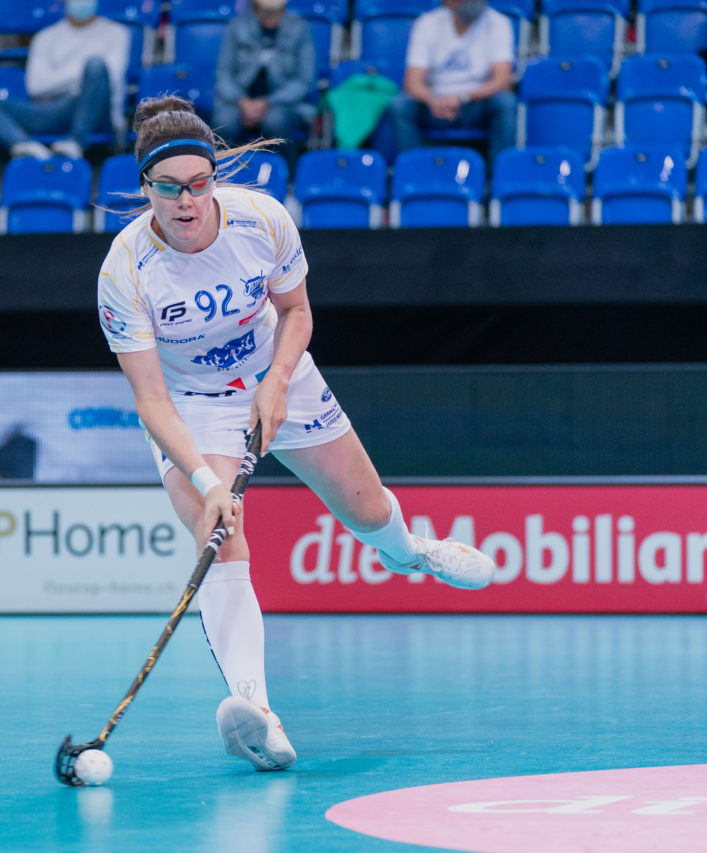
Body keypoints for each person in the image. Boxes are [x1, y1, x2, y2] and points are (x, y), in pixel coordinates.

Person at [96, 95, 496, 773]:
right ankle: (254, 706)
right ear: (147, 188)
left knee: (366, 509)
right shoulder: (124, 272)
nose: (187, 202)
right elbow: (151, 398)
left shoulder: (261, 219)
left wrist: (277, 379)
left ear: (214, 177)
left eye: (199, 184)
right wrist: (205, 482)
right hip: (192, 406)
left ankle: (410, 554)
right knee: (219, 532)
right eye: (170, 188)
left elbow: (297, 310)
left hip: (277, 374)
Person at [0, 0, 131, 161]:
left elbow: (109, 78)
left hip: (99, 113)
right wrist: (84, 76)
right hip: (53, 110)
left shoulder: (117, 33)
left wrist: (78, 75)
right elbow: (37, 87)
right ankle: (25, 145)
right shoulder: (45, 37)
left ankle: (76, 141)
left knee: (96, 66)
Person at [0, 371, 158, 482]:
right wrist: (1, 502)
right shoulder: (38, 374)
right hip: (67, 537)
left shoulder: (180, 365)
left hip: (169, 535)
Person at [386, 0, 517, 163]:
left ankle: (497, 178)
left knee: (506, 102)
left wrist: (462, 96)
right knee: (399, 106)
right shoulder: (427, 23)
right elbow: (412, 82)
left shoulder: (499, 23)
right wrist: (432, 99)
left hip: (475, 103)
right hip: (434, 104)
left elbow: (502, 81)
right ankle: (414, 171)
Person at [212, 0, 316, 165]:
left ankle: (286, 177)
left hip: (283, 103)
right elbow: (224, 74)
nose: (271, 16)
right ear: (255, 8)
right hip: (239, 101)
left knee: (275, 122)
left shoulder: (300, 28)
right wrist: (242, 101)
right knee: (224, 121)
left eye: (276, 11)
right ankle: (224, 176)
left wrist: (267, 102)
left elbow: (304, 81)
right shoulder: (237, 27)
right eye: (266, 11)